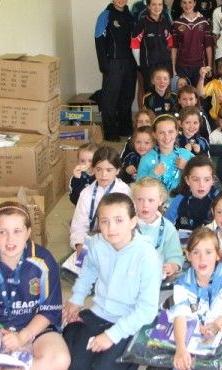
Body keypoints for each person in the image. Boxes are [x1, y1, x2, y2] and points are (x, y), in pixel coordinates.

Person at [0, 201, 70, 370]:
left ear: (28, 232)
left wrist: (22, 337)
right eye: (2, 232)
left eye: (17, 231)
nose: (10, 239)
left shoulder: (44, 261)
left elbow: (49, 311)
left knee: (60, 359)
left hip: (37, 330)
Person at [63, 193, 162, 370]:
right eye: (104, 221)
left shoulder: (148, 256)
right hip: (99, 314)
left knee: (102, 367)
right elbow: (87, 271)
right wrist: (76, 299)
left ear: (133, 222)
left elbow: (147, 311)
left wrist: (112, 335)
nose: (111, 228)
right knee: (74, 365)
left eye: (119, 220)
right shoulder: (95, 242)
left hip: (130, 321)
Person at [171, 228, 222, 370]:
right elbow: (180, 316)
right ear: (188, 255)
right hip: (193, 335)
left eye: (208, 252)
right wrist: (181, 348)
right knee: (183, 361)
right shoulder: (182, 284)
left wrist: (216, 324)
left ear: (218, 254)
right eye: (196, 252)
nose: (202, 259)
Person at [95, 0, 137, 141]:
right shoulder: (105, 15)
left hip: (130, 63)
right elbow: (98, 40)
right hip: (112, 63)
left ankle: (125, 129)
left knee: (127, 97)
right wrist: (103, 64)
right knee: (110, 99)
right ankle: (111, 132)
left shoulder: (130, 16)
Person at [70, 146, 131, 254]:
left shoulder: (125, 191)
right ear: (93, 169)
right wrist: (80, 246)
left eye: (109, 170)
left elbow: (130, 224)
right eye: (99, 169)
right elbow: (79, 227)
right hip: (92, 239)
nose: (103, 175)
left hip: (119, 240)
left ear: (117, 170)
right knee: (80, 262)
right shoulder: (86, 193)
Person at [130, 177, 184, 279]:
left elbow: (175, 256)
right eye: (140, 200)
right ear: (133, 200)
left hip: (156, 278)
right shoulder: (127, 225)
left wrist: (172, 266)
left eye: (151, 200)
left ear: (160, 201)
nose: (145, 205)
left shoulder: (168, 228)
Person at [136, 114, 194, 192]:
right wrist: (153, 175)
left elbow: (203, 178)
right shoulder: (146, 159)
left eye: (170, 132)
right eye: (161, 133)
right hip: (156, 199)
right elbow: (138, 189)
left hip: (183, 199)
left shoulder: (186, 155)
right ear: (154, 135)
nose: (166, 137)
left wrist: (187, 167)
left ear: (176, 132)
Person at [131, 0, 173, 93]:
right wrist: (139, 64)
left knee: (166, 93)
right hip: (149, 65)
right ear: (149, 6)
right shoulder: (142, 23)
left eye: (159, 4)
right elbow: (135, 45)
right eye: (154, 4)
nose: (157, 7)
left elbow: (170, 43)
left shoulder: (166, 22)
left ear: (163, 6)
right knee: (151, 94)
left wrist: (171, 61)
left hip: (165, 64)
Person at [171, 0, 214, 88]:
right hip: (182, 66)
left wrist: (209, 66)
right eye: (184, 2)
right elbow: (174, 48)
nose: (187, 5)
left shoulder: (204, 22)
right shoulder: (176, 23)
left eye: (190, 2)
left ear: (195, 3)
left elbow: (208, 46)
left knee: (201, 94)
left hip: (200, 66)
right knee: (184, 95)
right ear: (181, 4)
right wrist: (173, 69)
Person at [165, 155, 220, 230]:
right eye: (195, 179)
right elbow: (166, 226)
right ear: (187, 180)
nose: (201, 185)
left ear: (212, 180)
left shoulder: (219, 200)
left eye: (206, 179)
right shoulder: (179, 200)